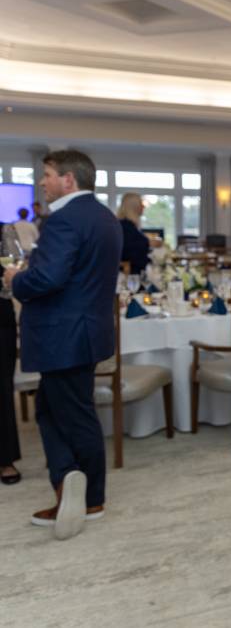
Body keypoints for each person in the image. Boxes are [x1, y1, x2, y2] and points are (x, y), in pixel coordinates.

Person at [3, 149, 122, 540]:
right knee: (56, 410)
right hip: (86, 331)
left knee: (69, 414)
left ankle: (85, 494)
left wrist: (16, 280)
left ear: (68, 179)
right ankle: (73, 484)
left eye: (48, 174)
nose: (42, 182)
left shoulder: (64, 219)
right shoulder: (104, 217)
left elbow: (48, 278)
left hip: (62, 334)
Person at [0, 223, 21, 485]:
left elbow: (13, 267)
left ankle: (5, 458)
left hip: (0, 314)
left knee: (2, 388)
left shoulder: (4, 231)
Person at [117, 192, 151, 275]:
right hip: (129, 276)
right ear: (134, 206)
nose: (143, 207)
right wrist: (149, 242)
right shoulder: (125, 226)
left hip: (136, 274)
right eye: (141, 204)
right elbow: (127, 253)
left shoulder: (129, 225)